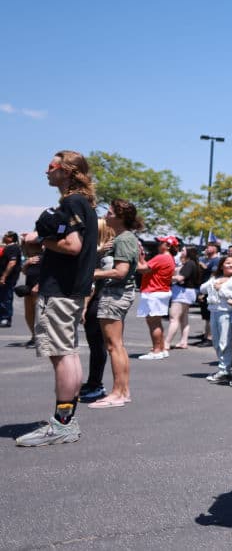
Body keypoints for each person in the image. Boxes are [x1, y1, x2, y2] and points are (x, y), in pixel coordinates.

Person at [16, 150, 98, 447]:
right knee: (68, 353)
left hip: (61, 290)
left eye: (51, 166)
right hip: (70, 289)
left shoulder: (72, 202)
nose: (46, 171)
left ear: (67, 171)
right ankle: (66, 420)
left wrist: (36, 240)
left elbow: (72, 245)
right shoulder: (83, 203)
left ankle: (63, 424)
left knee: (62, 354)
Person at [88, 200, 141, 409]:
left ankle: (118, 392)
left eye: (109, 213)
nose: (105, 216)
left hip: (115, 295)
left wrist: (91, 274)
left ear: (120, 217)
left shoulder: (125, 239)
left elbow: (120, 272)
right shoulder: (122, 238)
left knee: (114, 345)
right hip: (115, 294)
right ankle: (122, 391)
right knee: (116, 345)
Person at [79, 219, 114, 402]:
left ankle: (96, 384)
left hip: (98, 300)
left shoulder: (103, 254)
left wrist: (84, 306)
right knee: (97, 346)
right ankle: (93, 382)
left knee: (98, 345)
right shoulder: (100, 252)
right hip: (99, 299)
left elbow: (92, 283)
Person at [200, 256, 232, 383]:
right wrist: (214, 283)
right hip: (214, 311)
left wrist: (220, 288)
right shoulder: (215, 278)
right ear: (222, 265)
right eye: (228, 263)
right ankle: (223, 368)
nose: (231, 265)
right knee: (216, 341)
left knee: (224, 341)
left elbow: (231, 295)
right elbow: (202, 288)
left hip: (226, 313)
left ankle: (225, 370)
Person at [136, 237, 176, 360]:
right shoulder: (168, 258)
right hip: (159, 291)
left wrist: (136, 256)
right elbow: (146, 267)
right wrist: (141, 257)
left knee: (153, 323)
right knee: (156, 322)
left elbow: (141, 269)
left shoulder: (162, 257)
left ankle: (156, 350)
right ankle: (161, 348)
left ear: (168, 246)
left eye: (161, 242)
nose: (158, 244)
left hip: (154, 292)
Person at [166, 245, 201, 349]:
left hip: (182, 293)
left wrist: (166, 278)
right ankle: (183, 341)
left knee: (174, 318)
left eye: (183, 250)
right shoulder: (192, 263)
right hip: (188, 293)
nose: (181, 251)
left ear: (189, 252)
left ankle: (166, 342)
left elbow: (180, 277)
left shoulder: (189, 264)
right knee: (183, 318)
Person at [0, 230, 22, 327]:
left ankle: (6, 319)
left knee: (6, 298)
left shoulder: (13, 248)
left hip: (8, 278)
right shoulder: (7, 247)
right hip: (4, 277)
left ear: (11, 238)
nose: (3, 237)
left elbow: (12, 263)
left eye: (5, 236)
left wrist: (4, 276)